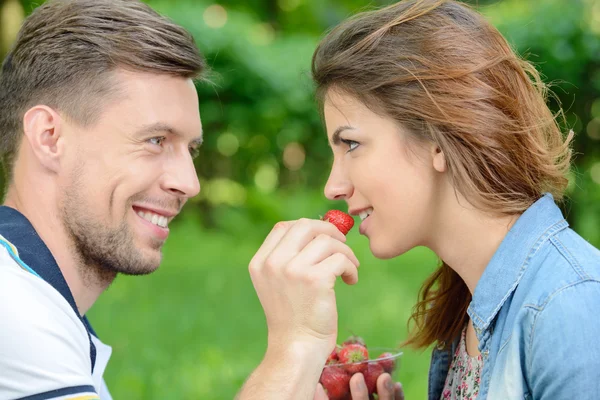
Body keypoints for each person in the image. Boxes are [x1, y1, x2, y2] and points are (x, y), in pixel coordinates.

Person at [241, 0, 600, 399]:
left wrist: (295, 343)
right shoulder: (470, 309)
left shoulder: (571, 308)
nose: (333, 187)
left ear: (438, 139)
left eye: (352, 144)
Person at [0, 0, 206, 398]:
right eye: (155, 140)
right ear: (49, 137)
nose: (189, 183)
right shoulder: (12, 305)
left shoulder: (39, 299)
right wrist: (294, 347)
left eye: (190, 149)